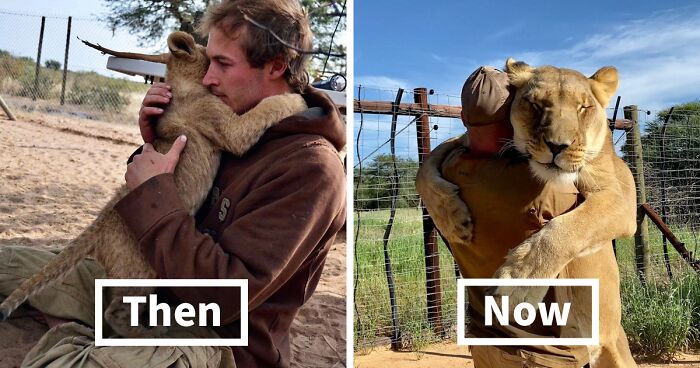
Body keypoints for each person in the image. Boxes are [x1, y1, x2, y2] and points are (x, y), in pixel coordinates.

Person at [0, 1, 346, 367]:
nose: (208, 77)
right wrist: (156, 140)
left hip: (212, 336)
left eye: (223, 64)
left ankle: (72, 332)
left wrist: (154, 195)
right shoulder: (228, 111)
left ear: (277, 65)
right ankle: (90, 325)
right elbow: (172, 191)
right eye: (208, 60)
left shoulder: (309, 168)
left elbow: (224, 298)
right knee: (8, 263)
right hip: (146, 292)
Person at [416, 66, 591, 368]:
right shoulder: (547, 187)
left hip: (486, 342)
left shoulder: (445, 175)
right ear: (517, 115)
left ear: (463, 118)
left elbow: (458, 146)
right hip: (546, 354)